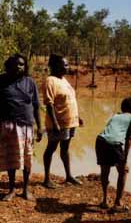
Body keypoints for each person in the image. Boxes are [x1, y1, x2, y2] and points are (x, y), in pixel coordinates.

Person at [0, 54, 42, 201]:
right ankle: (11, 189)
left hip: (27, 125)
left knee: (27, 158)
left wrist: (40, 127)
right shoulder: (0, 81)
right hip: (8, 125)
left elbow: (36, 106)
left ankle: (25, 189)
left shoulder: (30, 82)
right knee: (10, 159)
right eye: (16, 64)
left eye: (22, 64)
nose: (19, 67)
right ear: (8, 65)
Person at [42, 54, 83, 188]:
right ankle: (47, 179)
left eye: (67, 64)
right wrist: (55, 124)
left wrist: (78, 117)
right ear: (55, 66)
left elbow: (70, 100)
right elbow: (49, 104)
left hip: (70, 122)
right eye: (65, 64)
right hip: (58, 123)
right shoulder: (50, 81)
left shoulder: (64, 80)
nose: (67, 67)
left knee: (65, 149)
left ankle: (69, 176)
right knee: (51, 148)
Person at [95, 97, 131, 211]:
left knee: (105, 171)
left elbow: (109, 130)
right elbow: (129, 139)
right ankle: (118, 202)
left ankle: (104, 200)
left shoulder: (115, 116)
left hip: (100, 140)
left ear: (122, 107)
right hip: (114, 144)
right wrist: (125, 159)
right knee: (123, 171)